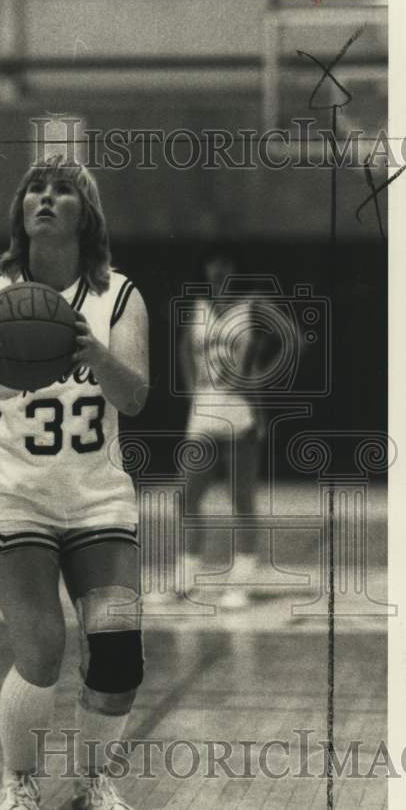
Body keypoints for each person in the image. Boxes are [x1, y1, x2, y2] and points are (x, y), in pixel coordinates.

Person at [0, 154, 149, 810]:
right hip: (18, 498)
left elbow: (136, 397)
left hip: (98, 501)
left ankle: (94, 785)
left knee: (117, 653)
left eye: (63, 190)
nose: (46, 197)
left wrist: (96, 354)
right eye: (36, 188)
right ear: (21, 211)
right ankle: (19, 782)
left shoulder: (120, 297)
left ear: (85, 214)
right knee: (41, 645)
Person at [178, 249, 270, 609]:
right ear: (205, 267)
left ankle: (241, 582)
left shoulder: (250, 308)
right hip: (204, 410)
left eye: (224, 263)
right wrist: (193, 391)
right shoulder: (198, 308)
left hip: (239, 410)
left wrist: (255, 392)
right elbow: (184, 351)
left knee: (241, 500)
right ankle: (187, 576)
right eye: (212, 262)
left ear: (234, 268)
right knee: (188, 496)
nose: (217, 268)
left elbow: (288, 343)